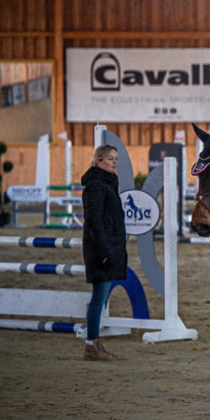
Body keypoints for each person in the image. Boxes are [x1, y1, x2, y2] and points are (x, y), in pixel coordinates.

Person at [80, 145, 128, 361]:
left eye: (116, 158)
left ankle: (95, 343)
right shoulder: (96, 186)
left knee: (100, 298)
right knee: (98, 298)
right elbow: (94, 221)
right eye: (110, 158)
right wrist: (106, 251)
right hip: (100, 250)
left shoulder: (106, 183)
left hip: (108, 248)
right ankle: (91, 345)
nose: (114, 162)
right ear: (98, 161)